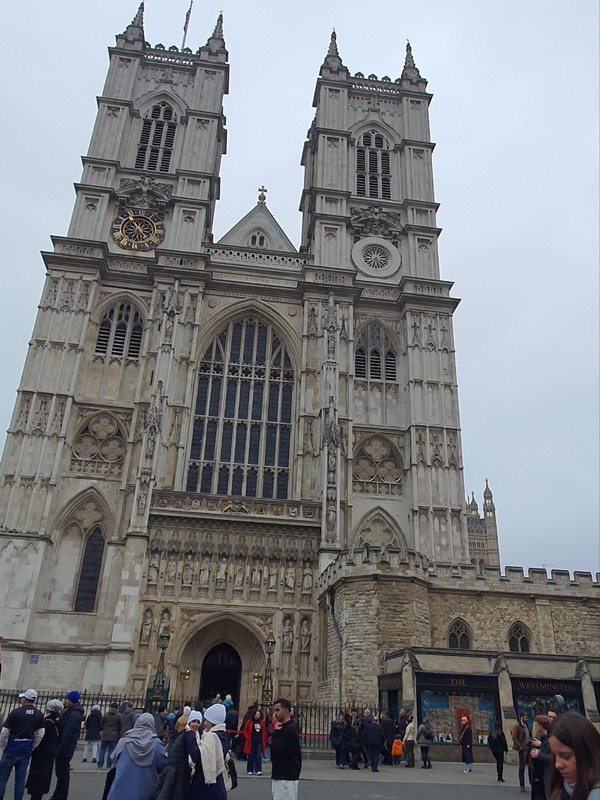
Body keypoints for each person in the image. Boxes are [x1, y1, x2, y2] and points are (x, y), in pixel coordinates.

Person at [107, 713, 164, 800]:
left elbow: (114, 762)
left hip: (120, 791)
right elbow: (162, 765)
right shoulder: (156, 744)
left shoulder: (123, 741)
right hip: (145, 791)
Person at [0, 689, 45, 800]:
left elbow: (4, 731)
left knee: (2, 778)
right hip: (26, 746)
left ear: (25, 699)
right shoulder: (39, 714)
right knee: (20, 779)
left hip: (13, 745)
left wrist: (3, 745)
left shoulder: (15, 712)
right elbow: (40, 734)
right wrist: (33, 746)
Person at [547, 712, 600, 800]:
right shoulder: (562, 788)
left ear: (587, 753)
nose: (557, 764)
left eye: (566, 756)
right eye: (555, 755)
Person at [184, 710, 227, 800]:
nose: (204, 723)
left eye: (206, 720)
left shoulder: (211, 737)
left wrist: (189, 734)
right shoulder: (223, 735)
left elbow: (197, 756)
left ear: (212, 722)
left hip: (206, 786)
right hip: (217, 786)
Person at [26, 699, 63, 800]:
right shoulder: (57, 721)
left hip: (42, 752)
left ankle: (36, 796)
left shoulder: (47, 722)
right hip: (50, 752)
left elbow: (40, 736)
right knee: (44, 776)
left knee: (38, 776)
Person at [50, 690, 83, 800]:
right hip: (65, 748)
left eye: (67, 699)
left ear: (71, 700)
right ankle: (58, 795)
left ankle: (60, 796)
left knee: (62, 774)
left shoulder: (74, 714)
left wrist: (60, 750)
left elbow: (68, 734)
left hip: (65, 749)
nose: (65, 701)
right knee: (61, 774)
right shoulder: (72, 712)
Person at [271, 698, 302, 800]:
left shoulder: (290, 729)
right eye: (274, 710)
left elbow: (279, 749)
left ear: (286, 710)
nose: (275, 713)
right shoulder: (283, 727)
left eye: (277, 710)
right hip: (280, 774)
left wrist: (275, 734)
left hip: (286, 776)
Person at [530, 714, 552, 799]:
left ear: (540, 725)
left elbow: (553, 758)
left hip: (546, 778)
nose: (535, 726)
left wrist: (539, 755)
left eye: (536, 724)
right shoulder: (544, 739)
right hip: (539, 778)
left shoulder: (551, 739)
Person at [512, 712, 532, 794]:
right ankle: (522, 785)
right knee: (522, 767)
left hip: (528, 748)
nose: (527, 719)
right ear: (521, 717)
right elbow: (514, 737)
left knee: (530, 767)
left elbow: (529, 735)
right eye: (525, 717)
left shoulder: (527, 726)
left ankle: (532, 784)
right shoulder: (517, 726)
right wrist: (519, 746)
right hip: (522, 749)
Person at [243, 709, 267, 776]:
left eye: (259, 714)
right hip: (251, 741)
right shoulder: (250, 722)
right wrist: (247, 737)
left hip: (259, 741)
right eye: (257, 714)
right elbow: (245, 731)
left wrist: (264, 739)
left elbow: (264, 732)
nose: (258, 715)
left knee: (258, 756)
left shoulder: (262, 722)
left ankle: (258, 770)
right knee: (251, 756)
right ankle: (250, 769)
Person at [99, 704, 122, 769]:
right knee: (111, 750)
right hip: (114, 734)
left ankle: (100, 764)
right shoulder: (119, 716)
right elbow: (120, 725)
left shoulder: (106, 715)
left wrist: (104, 729)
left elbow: (101, 724)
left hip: (105, 733)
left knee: (102, 749)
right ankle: (108, 765)